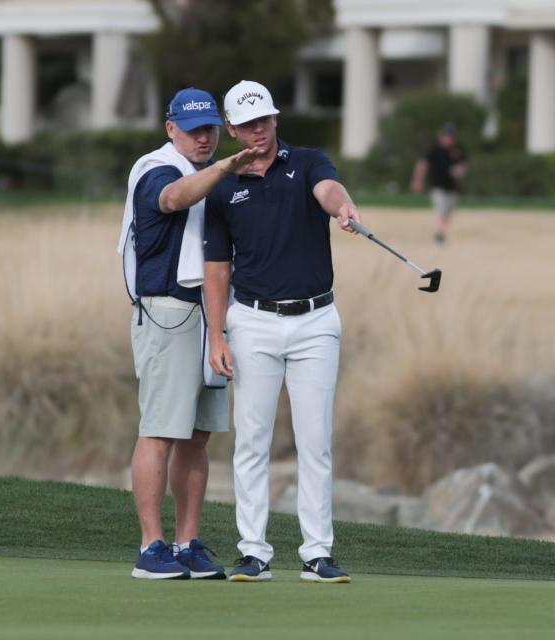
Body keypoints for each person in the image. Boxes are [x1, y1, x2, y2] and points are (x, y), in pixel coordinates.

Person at [203, 80, 360, 584]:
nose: (259, 131)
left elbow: (327, 190)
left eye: (265, 120)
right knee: (252, 440)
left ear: (275, 120)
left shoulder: (308, 161)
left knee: (315, 441)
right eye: (248, 124)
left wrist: (343, 208)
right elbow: (216, 269)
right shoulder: (222, 186)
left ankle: (318, 553)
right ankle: (254, 552)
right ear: (231, 129)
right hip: (251, 320)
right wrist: (217, 334)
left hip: (315, 321)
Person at [117, 88, 262, 579]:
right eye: (193, 128)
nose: (204, 137)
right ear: (170, 128)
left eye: (210, 129)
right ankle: (150, 547)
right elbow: (173, 198)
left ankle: (186, 543)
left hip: (210, 316)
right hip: (167, 311)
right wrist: (224, 169)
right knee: (159, 429)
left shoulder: (212, 173)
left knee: (197, 436)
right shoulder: (156, 166)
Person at [411, 122, 467, 244]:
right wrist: (417, 180)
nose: (449, 139)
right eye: (448, 136)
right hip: (437, 187)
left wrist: (459, 171)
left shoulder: (457, 151)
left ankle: (441, 233)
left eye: (452, 137)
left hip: (452, 188)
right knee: (440, 210)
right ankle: (439, 234)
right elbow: (422, 165)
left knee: (448, 213)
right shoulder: (435, 150)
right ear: (442, 136)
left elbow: (463, 167)